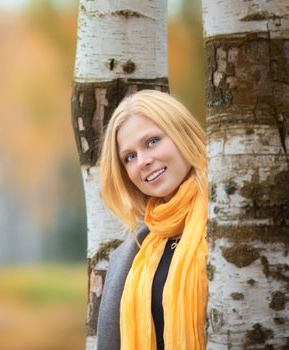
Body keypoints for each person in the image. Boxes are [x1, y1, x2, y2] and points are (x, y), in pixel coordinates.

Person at [96, 89, 208, 350]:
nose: (143, 161)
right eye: (130, 157)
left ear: (183, 133)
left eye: (152, 141)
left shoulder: (233, 221)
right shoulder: (135, 251)